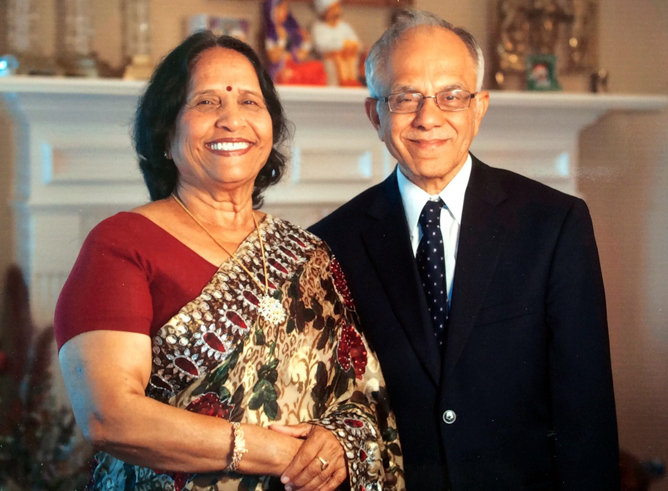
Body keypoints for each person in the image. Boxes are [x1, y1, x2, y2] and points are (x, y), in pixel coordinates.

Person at [55, 31, 403, 491]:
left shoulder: (309, 252)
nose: (231, 120)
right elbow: (107, 415)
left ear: (271, 128)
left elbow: (364, 397)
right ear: (166, 130)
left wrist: (338, 444)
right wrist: (275, 451)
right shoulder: (122, 245)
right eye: (206, 102)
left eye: (249, 103)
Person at [309, 9, 619, 491]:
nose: (428, 117)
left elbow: (587, 412)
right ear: (375, 114)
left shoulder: (555, 224)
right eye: (406, 96)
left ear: (479, 107)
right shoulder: (331, 243)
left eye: (451, 96)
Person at [263, 0, 327, 86]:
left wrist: (306, 43)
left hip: (294, 66)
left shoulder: (289, 32)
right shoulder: (270, 34)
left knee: (318, 66)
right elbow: (274, 58)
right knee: (288, 75)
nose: (283, 12)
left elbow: (299, 57)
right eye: (279, 8)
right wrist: (281, 41)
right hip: (279, 70)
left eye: (285, 9)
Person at [311, 0, 362, 87]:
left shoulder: (345, 27)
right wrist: (341, 46)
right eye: (333, 8)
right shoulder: (318, 28)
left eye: (337, 7)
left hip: (348, 64)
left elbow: (357, 44)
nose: (336, 11)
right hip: (328, 64)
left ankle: (350, 84)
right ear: (324, 12)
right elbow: (320, 46)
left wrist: (347, 47)